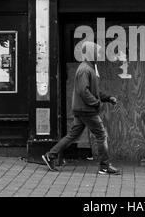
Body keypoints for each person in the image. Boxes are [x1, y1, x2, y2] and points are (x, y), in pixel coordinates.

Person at [42, 41, 121, 175]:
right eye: (97, 52)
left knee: (73, 135)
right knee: (101, 135)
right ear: (91, 53)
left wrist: (107, 98)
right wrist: (96, 103)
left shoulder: (89, 67)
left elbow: (93, 91)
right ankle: (104, 166)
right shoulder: (85, 69)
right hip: (87, 110)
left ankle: (51, 155)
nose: (99, 55)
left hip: (82, 108)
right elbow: (83, 91)